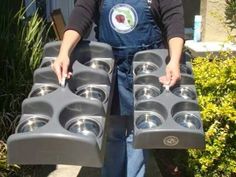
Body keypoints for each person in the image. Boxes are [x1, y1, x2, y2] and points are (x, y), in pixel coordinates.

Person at [52, 0, 185, 176]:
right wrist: (64, 52)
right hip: (111, 66)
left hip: (146, 67)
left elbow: (173, 18)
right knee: (112, 131)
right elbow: (82, 12)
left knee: (138, 133)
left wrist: (174, 60)